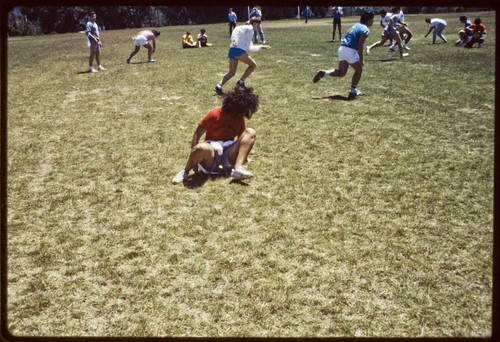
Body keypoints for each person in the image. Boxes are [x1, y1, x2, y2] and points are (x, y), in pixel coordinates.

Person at [172, 87, 260, 184]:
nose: (243, 115)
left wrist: (244, 157)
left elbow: (242, 141)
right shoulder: (214, 114)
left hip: (228, 155)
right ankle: (185, 172)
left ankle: (238, 169)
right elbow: (197, 135)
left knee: (250, 132)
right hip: (212, 153)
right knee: (200, 147)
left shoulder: (239, 119)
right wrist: (194, 162)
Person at [312, 11, 375, 98]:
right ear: (369, 20)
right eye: (372, 19)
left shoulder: (355, 25)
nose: (373, 21)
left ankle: (324, 73)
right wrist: (361, 59)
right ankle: (353, 91)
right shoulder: (366, 29)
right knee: (359, 71)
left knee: (342, 73)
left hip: (342, 48)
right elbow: (360, 45)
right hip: (350, 50)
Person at [214, 17, 271, 95]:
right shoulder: (249, 28)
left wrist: (261, 47)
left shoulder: (249, 32)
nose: (259, 26)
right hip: (238, 50)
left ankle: (219, 86)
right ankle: (241, 81)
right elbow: (237, 29)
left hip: (232, 50)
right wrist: (234, 40)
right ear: (255, 23)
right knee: (253, 65)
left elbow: (249, 47)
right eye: (258, 24)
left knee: (232, 72)